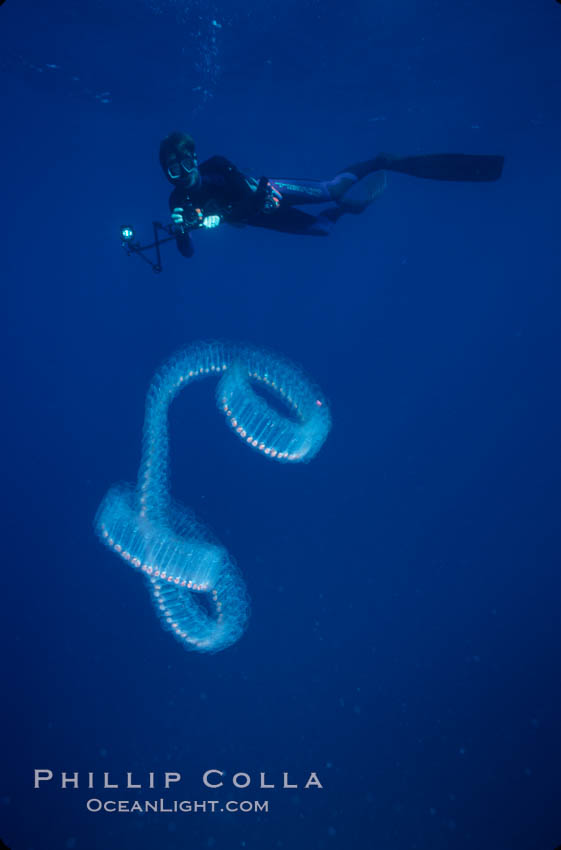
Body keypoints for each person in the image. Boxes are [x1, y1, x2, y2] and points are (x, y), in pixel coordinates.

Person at [159, 131, 504, 259]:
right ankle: (348, 210)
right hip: (258, 218)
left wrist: (219, 216)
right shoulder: (177, 203)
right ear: (168, 174)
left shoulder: (217, 165)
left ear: (195, 157)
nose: (185, 172)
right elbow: (186, 253)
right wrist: (181, 233)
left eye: (188, 161)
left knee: (331, 188)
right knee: (323, 229)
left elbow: (248, 196)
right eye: (175, 169)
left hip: (270, 195)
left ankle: (380, 161)